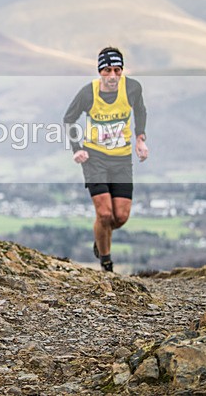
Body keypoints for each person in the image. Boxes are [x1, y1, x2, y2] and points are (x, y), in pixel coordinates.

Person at [63, 47, 148, 273]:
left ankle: (100, 237)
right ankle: (106, 263)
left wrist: (140, 139)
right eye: (107, 70)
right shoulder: (88, 93)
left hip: (121, 159)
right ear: (100, 71)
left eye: (117, 70)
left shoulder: (132, 88)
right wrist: (77, 149)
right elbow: (69, 119)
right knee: (104, 214)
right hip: (95, 158)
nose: (112, 76)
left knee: (120, 216)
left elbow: (140, 111)